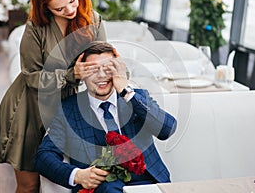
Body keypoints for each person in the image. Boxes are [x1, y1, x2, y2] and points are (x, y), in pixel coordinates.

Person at [0, 0, 106, 192]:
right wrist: (71, 75)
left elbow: (101, 61)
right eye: (59, 9)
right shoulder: (35, 27)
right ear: (44, 6)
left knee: (63, 182)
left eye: (72, 1)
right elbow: (31, 76)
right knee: (29, 186)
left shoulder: (93, 20)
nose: (70, 10)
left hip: (67, 107)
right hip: (29, 109)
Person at [34, 41, 177, 193]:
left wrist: (126, 91)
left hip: (149, 183)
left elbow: (166, 130)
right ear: (82, 74)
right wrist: (77, 175)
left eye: (108, 68)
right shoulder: (69, 109)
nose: (101, 75)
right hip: (103, 188)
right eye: (93, 69)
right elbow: (43, 157)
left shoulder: (137, 97)